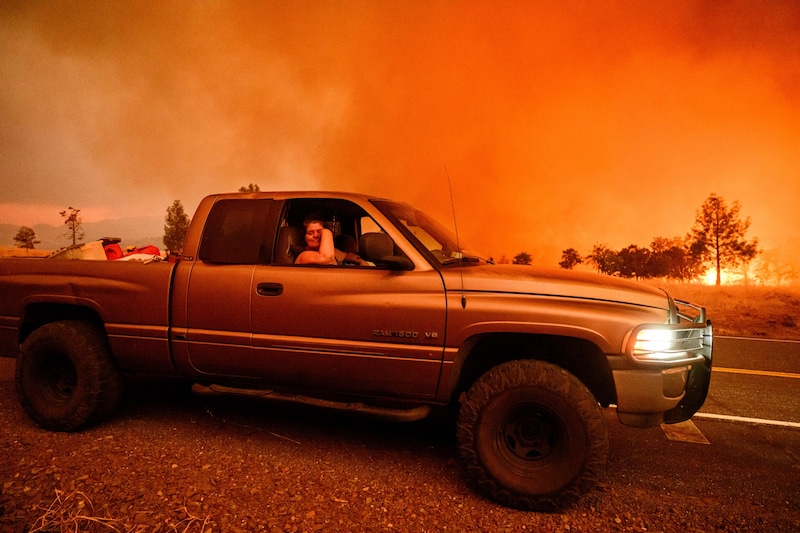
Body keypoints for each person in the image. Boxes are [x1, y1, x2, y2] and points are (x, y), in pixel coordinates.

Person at [294, 215, 372, 266]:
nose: (315, 235)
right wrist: (326, 231)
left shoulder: (333, 251)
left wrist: (361, 261)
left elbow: (346, 255)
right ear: (305, 237)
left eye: (319, 232)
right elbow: (327, 258)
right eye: (310, 233)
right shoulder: (303, 256)